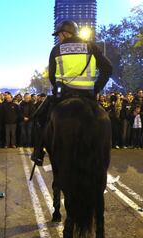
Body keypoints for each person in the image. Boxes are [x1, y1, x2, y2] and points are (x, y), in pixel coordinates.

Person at [31, 20, 112, 165]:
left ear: (64, 33)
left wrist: (58, 86)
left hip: (63, 96)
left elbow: (51, 76)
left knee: (39, 118)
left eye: (59, 35)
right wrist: (96, 88)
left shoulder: (56, 50)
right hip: (88, 95)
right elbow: (107, 69)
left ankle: (38, 153)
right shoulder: (91, 47)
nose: (59, 38)